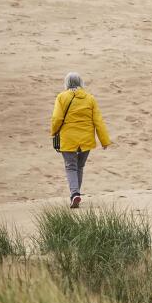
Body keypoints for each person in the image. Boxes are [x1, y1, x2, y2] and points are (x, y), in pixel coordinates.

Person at [50, 72, 112, 208]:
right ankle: (76, 193)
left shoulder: (61, 97)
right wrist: (104, 140)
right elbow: (98, 121)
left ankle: (74, 194)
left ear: (66, 83)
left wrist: (54, 131)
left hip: (68, 139)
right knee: (80, 166)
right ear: (81, 82)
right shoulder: (90, 98)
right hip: (86, 140)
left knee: (70, 166)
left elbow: (57, 118)